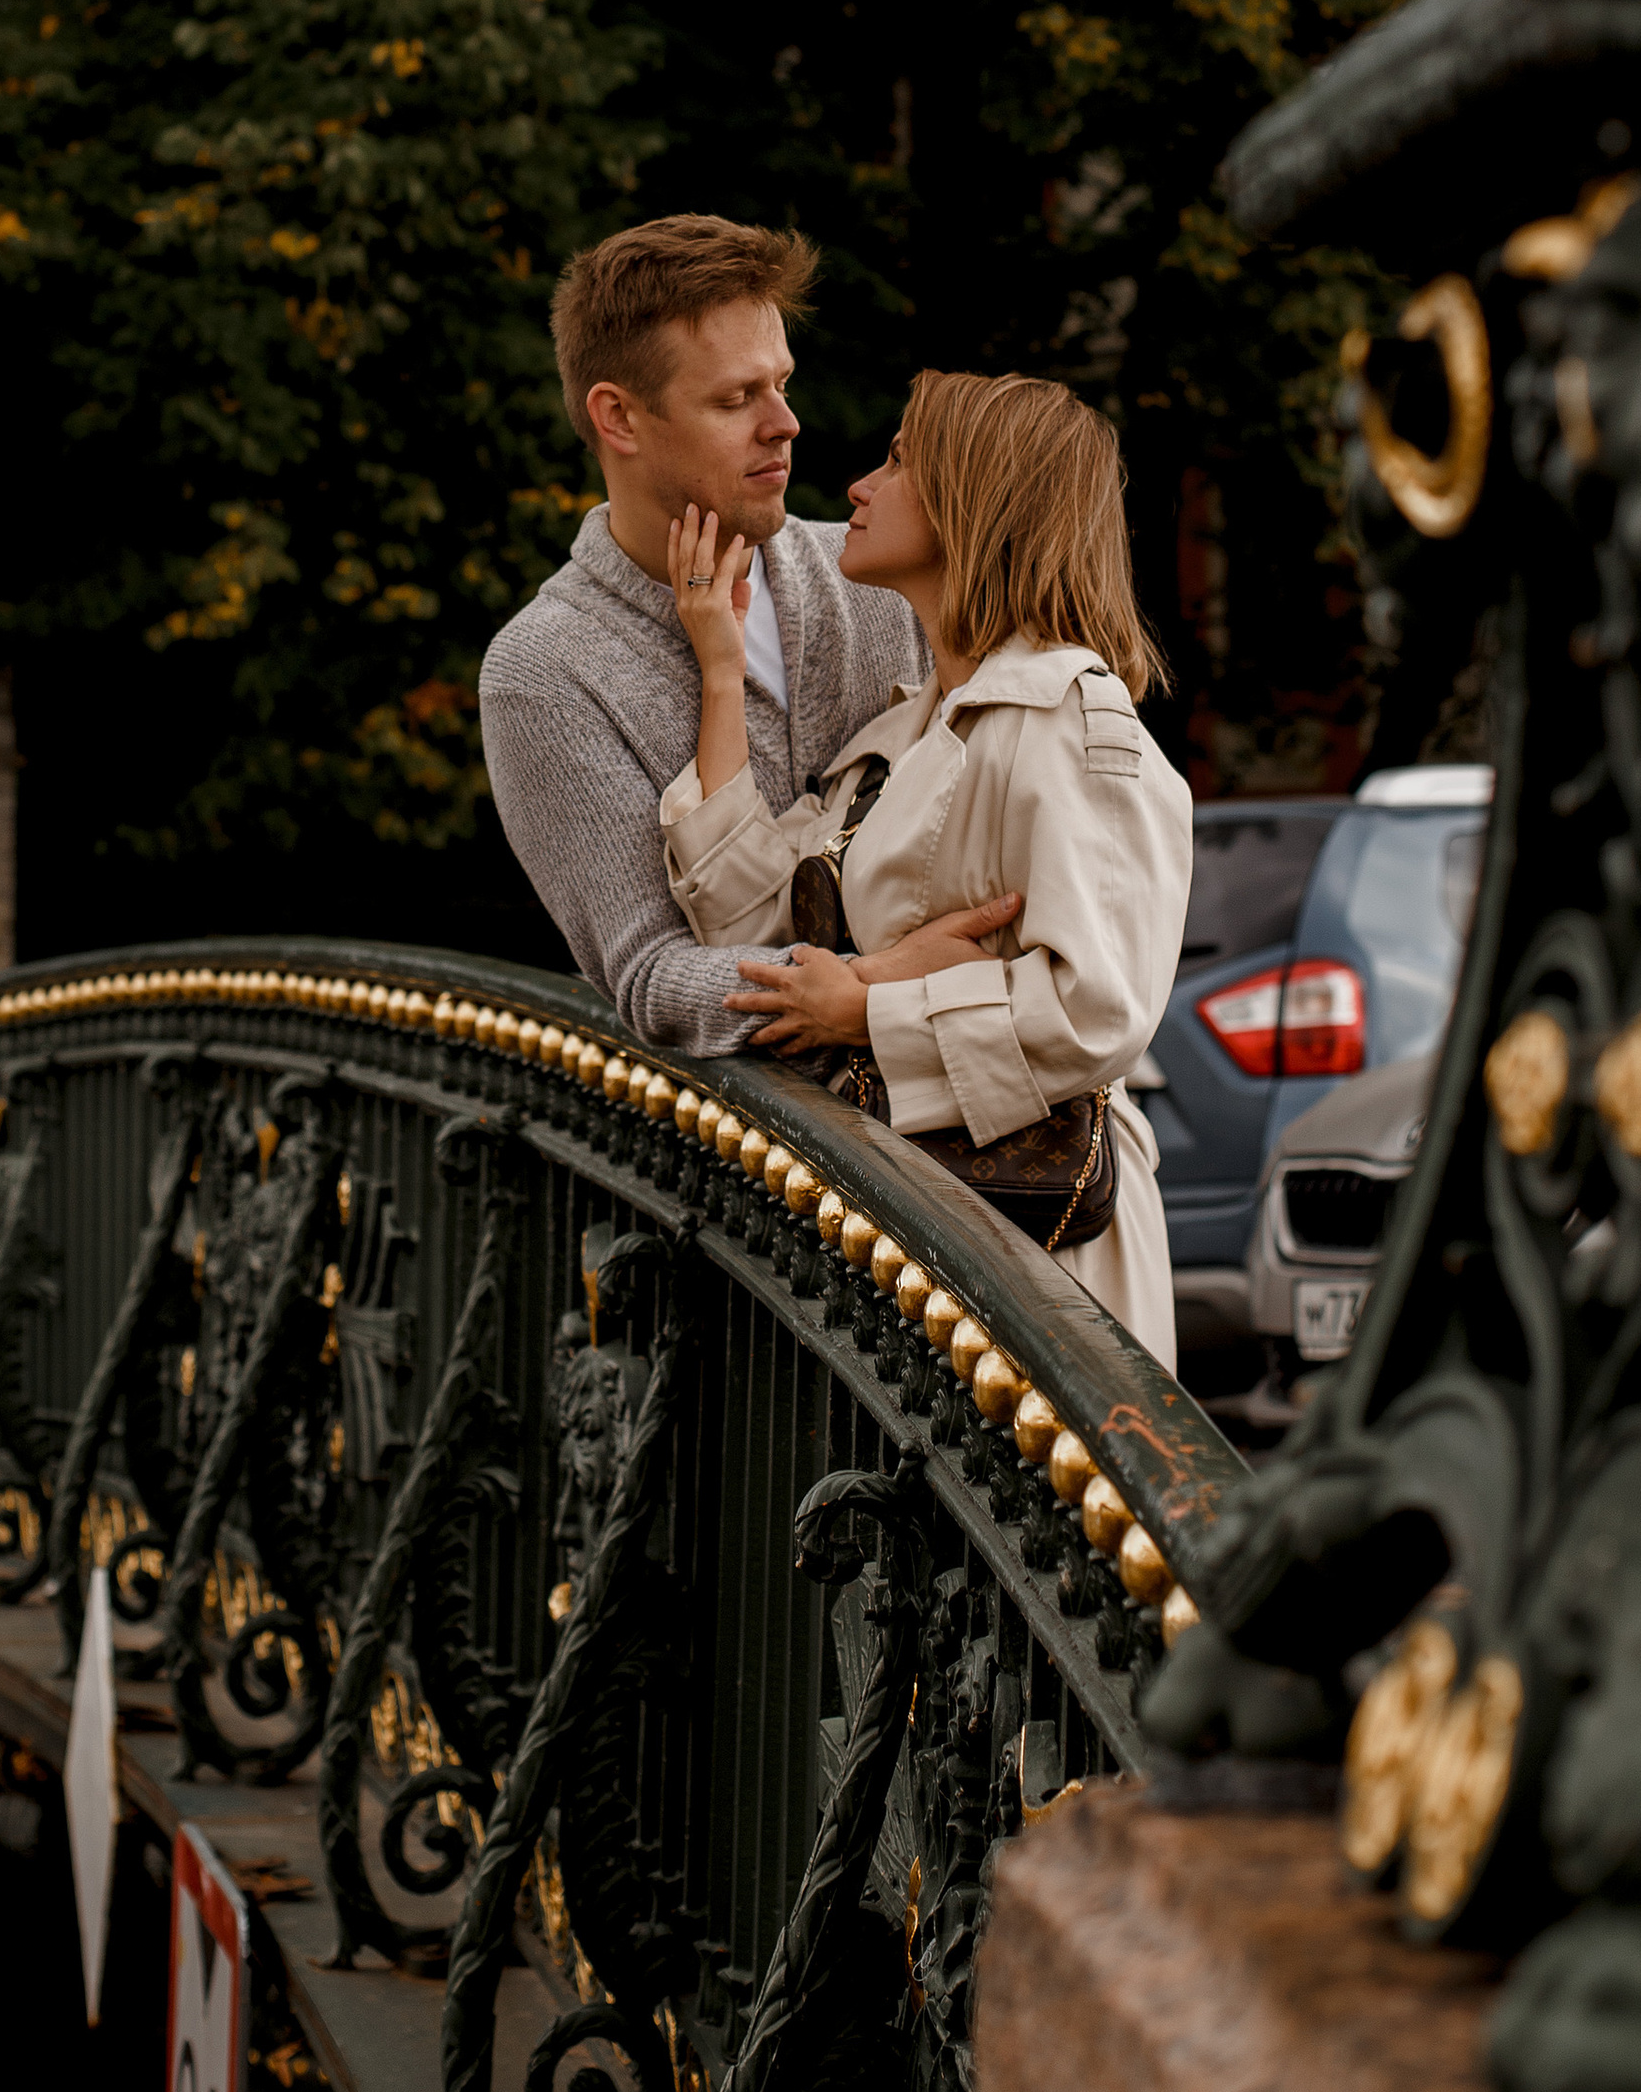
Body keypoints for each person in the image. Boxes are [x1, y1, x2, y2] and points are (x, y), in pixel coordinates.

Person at [658, 369, 1190, 1364]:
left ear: (977, 498)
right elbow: (747, 936)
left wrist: (865, 1007)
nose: (859, 485)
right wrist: (720, 670)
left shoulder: (1068, 721)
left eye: (899, 460)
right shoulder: (901, 736)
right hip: (922, 1231)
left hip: (1040, 1242)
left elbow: (1098, 1010)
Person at [480, 217, 1017, 1050]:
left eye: (783, 384)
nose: (785, 423)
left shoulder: (880, 576)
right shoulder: (545, 672)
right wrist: (868, 981)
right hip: (760, 1168)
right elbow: (651, 976)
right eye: (736, 398)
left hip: (995, 1133)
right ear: (617, 418)